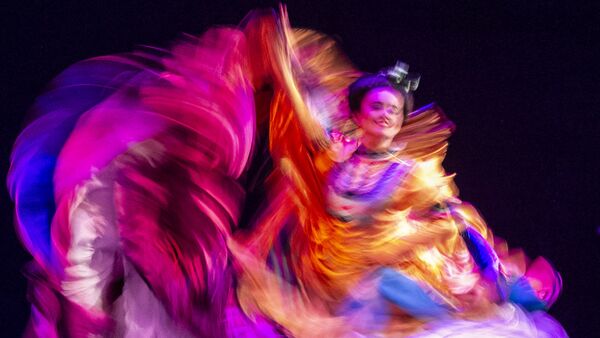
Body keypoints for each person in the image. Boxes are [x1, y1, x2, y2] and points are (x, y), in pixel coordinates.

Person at [8, 7, 565, 337]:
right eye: (376, 107)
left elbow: (456, 215)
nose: (387, 115)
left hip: (421, 276)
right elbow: (301, 199)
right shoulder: (332, 161)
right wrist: (253, 249)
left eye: (394, 110)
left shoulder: (415, 166)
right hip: (356, 279)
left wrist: (492, 263)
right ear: (358, 114)